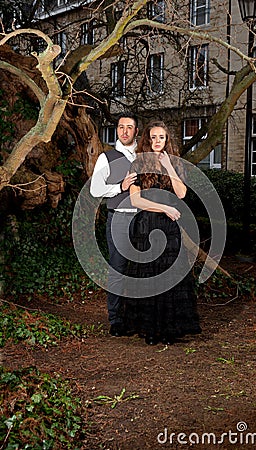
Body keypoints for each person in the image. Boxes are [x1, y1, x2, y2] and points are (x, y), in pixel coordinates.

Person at [123, 121, 201, 345]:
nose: (157, 141)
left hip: (170, 228)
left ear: (168, 141)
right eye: (154, 137)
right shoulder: (138, 164)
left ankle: (168, 328)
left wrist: (168, 166)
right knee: (148, 275)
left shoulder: (174, 164)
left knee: (170, 276)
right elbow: (135, 199)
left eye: (162, 137)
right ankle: (150, 329)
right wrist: (165, 208)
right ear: (147, 139)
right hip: (147, 225)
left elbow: (182, 193)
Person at [90, 112, 138, 337]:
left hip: (143, 220)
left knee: (140, 269)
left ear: (136, 130)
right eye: (121, 127)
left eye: (129, 127)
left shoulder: (145, 155)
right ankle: (116, 319)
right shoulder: (106, 158)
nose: (125, 131)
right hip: (119, 218)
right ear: (117, 130)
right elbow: (95, 189)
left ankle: (137, 316)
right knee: (118, 269)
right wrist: (120, 187)